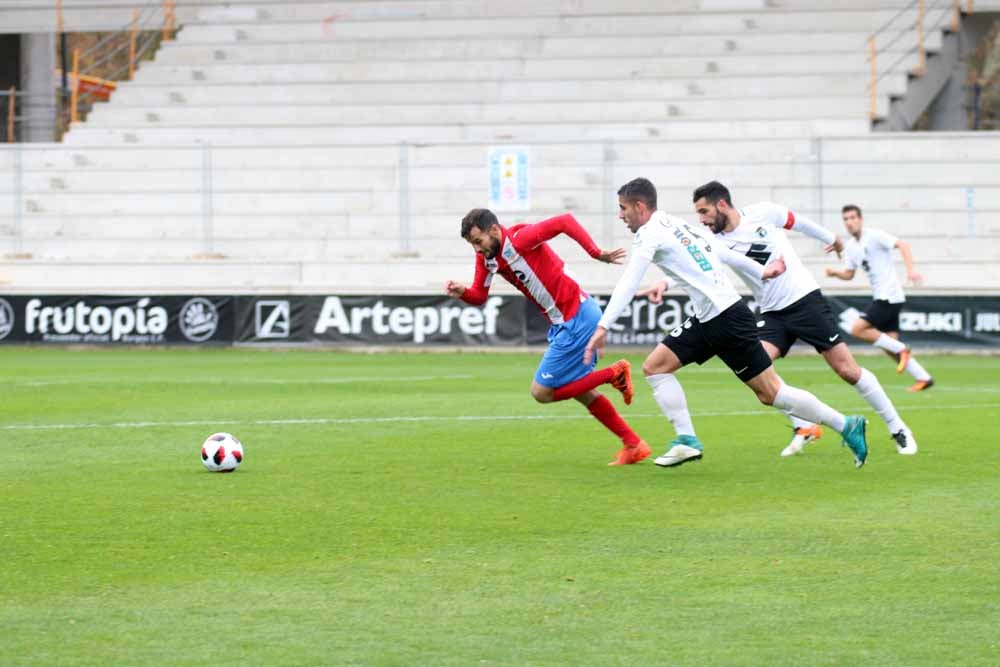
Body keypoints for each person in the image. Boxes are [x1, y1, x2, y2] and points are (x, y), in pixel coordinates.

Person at [584, 177, 870, 469]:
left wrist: (604, 326)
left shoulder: (648, 235)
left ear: (639, 206)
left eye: (622, 208)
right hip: (708, 317)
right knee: (655, 367)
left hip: (726, 319)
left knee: (771, 394)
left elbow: (629, 282)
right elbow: (719, 252)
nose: (621, 215)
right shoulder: (676, 224)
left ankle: (846, 424)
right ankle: (687, 441)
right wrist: (762, 271)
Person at [681, 181, 916, 458]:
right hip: (771, 313)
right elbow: (694, 266)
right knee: (757, 370)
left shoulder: (763, 212)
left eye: (704, 211)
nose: (702, 219)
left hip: (805, 301)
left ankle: (898, 428)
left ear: (722, 204)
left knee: (847, 371)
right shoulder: (713, 241)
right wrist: (664, 282)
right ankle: (804, 426)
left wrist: (832, 238)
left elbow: (799, 223)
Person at [446, 207, 651, 466]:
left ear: (495, 230)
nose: (476, 249)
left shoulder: (520, 240)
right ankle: (633, 444)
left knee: (541, 392)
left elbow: (564, 221)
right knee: (581, 390)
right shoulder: (486, 257)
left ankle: (614, 373)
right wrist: (463, 291)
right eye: (471, 244)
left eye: (478, 241)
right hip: (567, 319)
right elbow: (479, 295)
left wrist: (595, 252)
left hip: (576, 316)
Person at [826, 204, 934, 392]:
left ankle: (902, 349)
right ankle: (923, 377)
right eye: (846, 219)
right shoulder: (851, 247)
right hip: (884, 296)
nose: (849, 222)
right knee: (888, 344)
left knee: (858, 329)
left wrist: (911, 270)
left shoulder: (874, 236)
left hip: (889, 295)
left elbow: (903, 244)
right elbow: (849, 274)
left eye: (853, 218)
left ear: (860, 219)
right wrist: (835, 274)